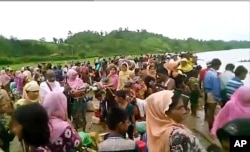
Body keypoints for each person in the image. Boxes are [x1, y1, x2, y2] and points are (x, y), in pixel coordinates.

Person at [204, 58, 222, 130]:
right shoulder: (214, 75)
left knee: (210, 112)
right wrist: (218, 98)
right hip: (212, 94)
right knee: (211, 112)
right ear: (217, 65)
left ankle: (210, 127)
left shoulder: (208, 72)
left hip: (208, 92)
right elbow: (216, 88)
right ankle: (211, 128)